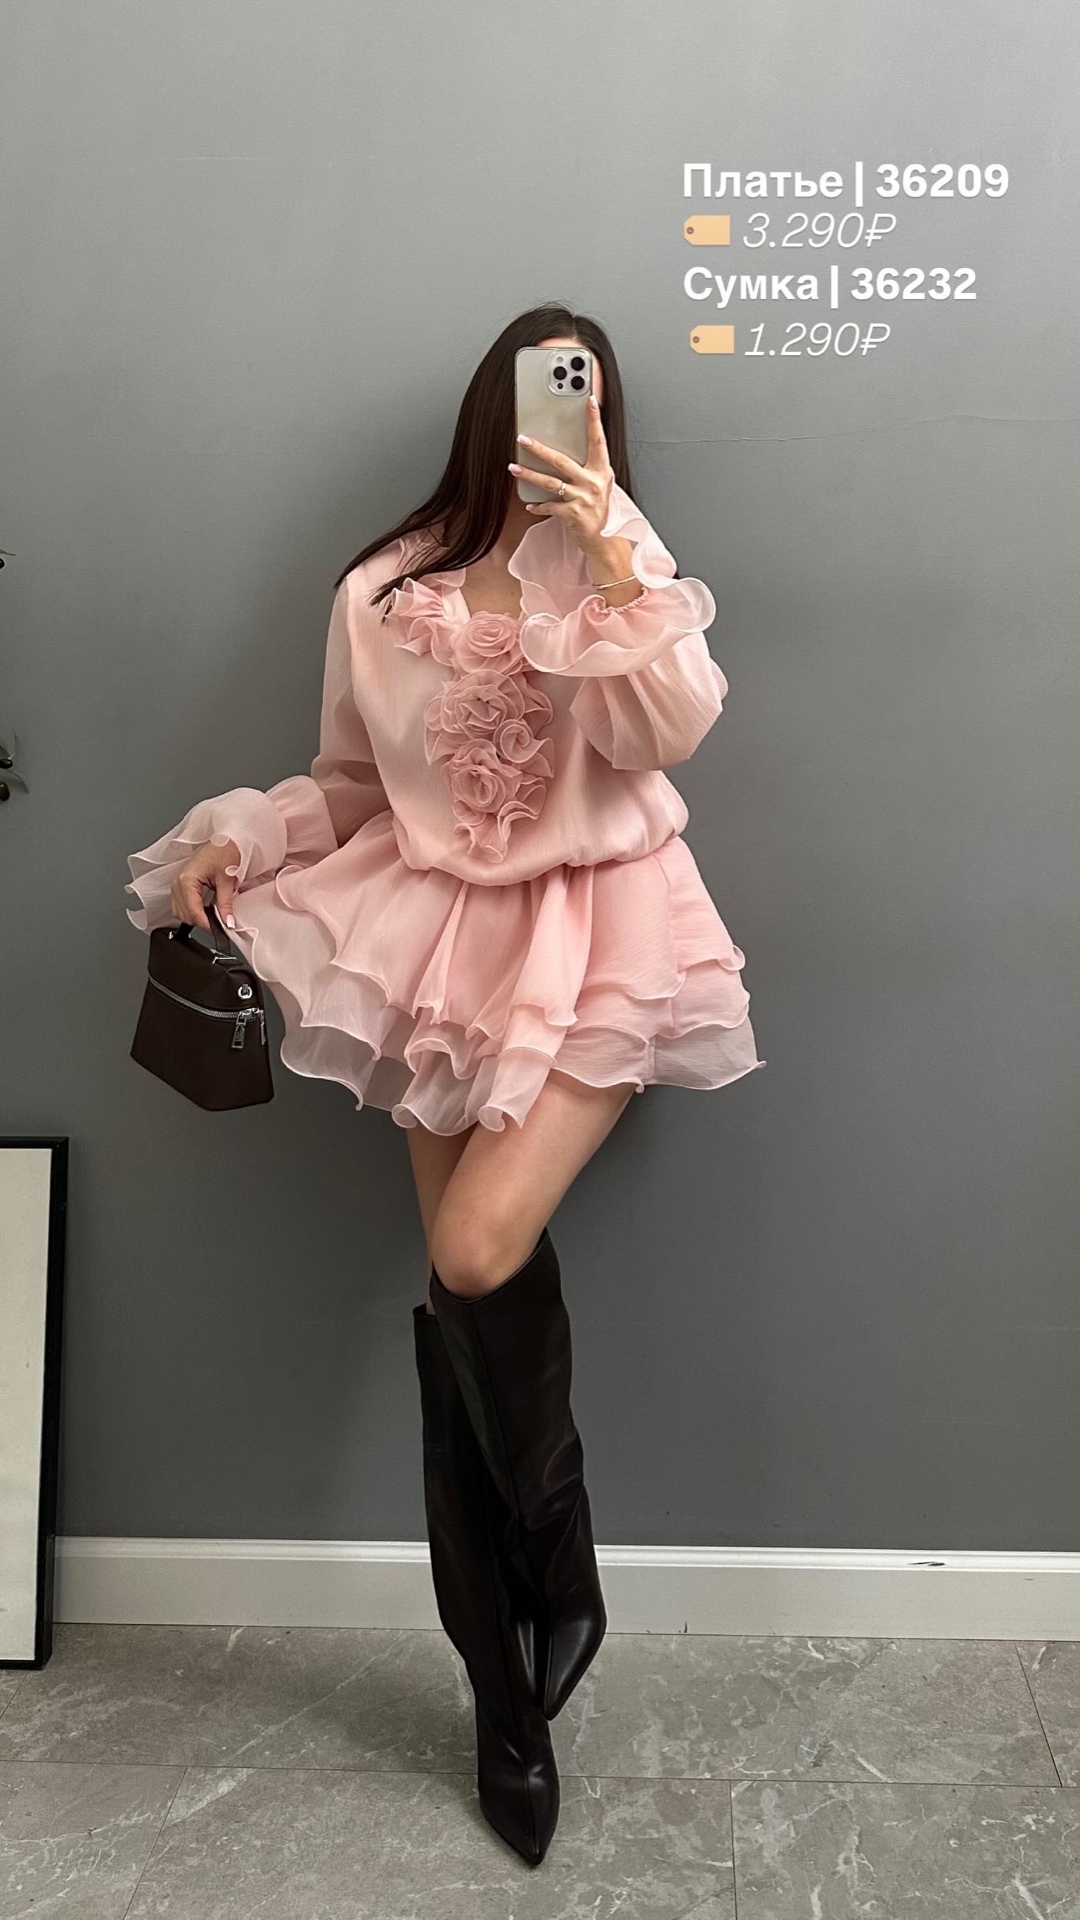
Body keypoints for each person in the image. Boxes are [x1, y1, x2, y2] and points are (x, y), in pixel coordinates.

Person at [124, 304, 766, 1865]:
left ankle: (562, 1562)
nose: (566, 411)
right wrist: (239, 839)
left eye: (588, 395)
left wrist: (606, 540)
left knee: (479, 1251)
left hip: (601, 931)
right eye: (549, 388)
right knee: (456, 1287)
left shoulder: (618, 562)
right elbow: (353, 783)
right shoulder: (382, 586)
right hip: (430, 943)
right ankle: (503, 1685)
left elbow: (673, 725)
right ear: (499, 401)